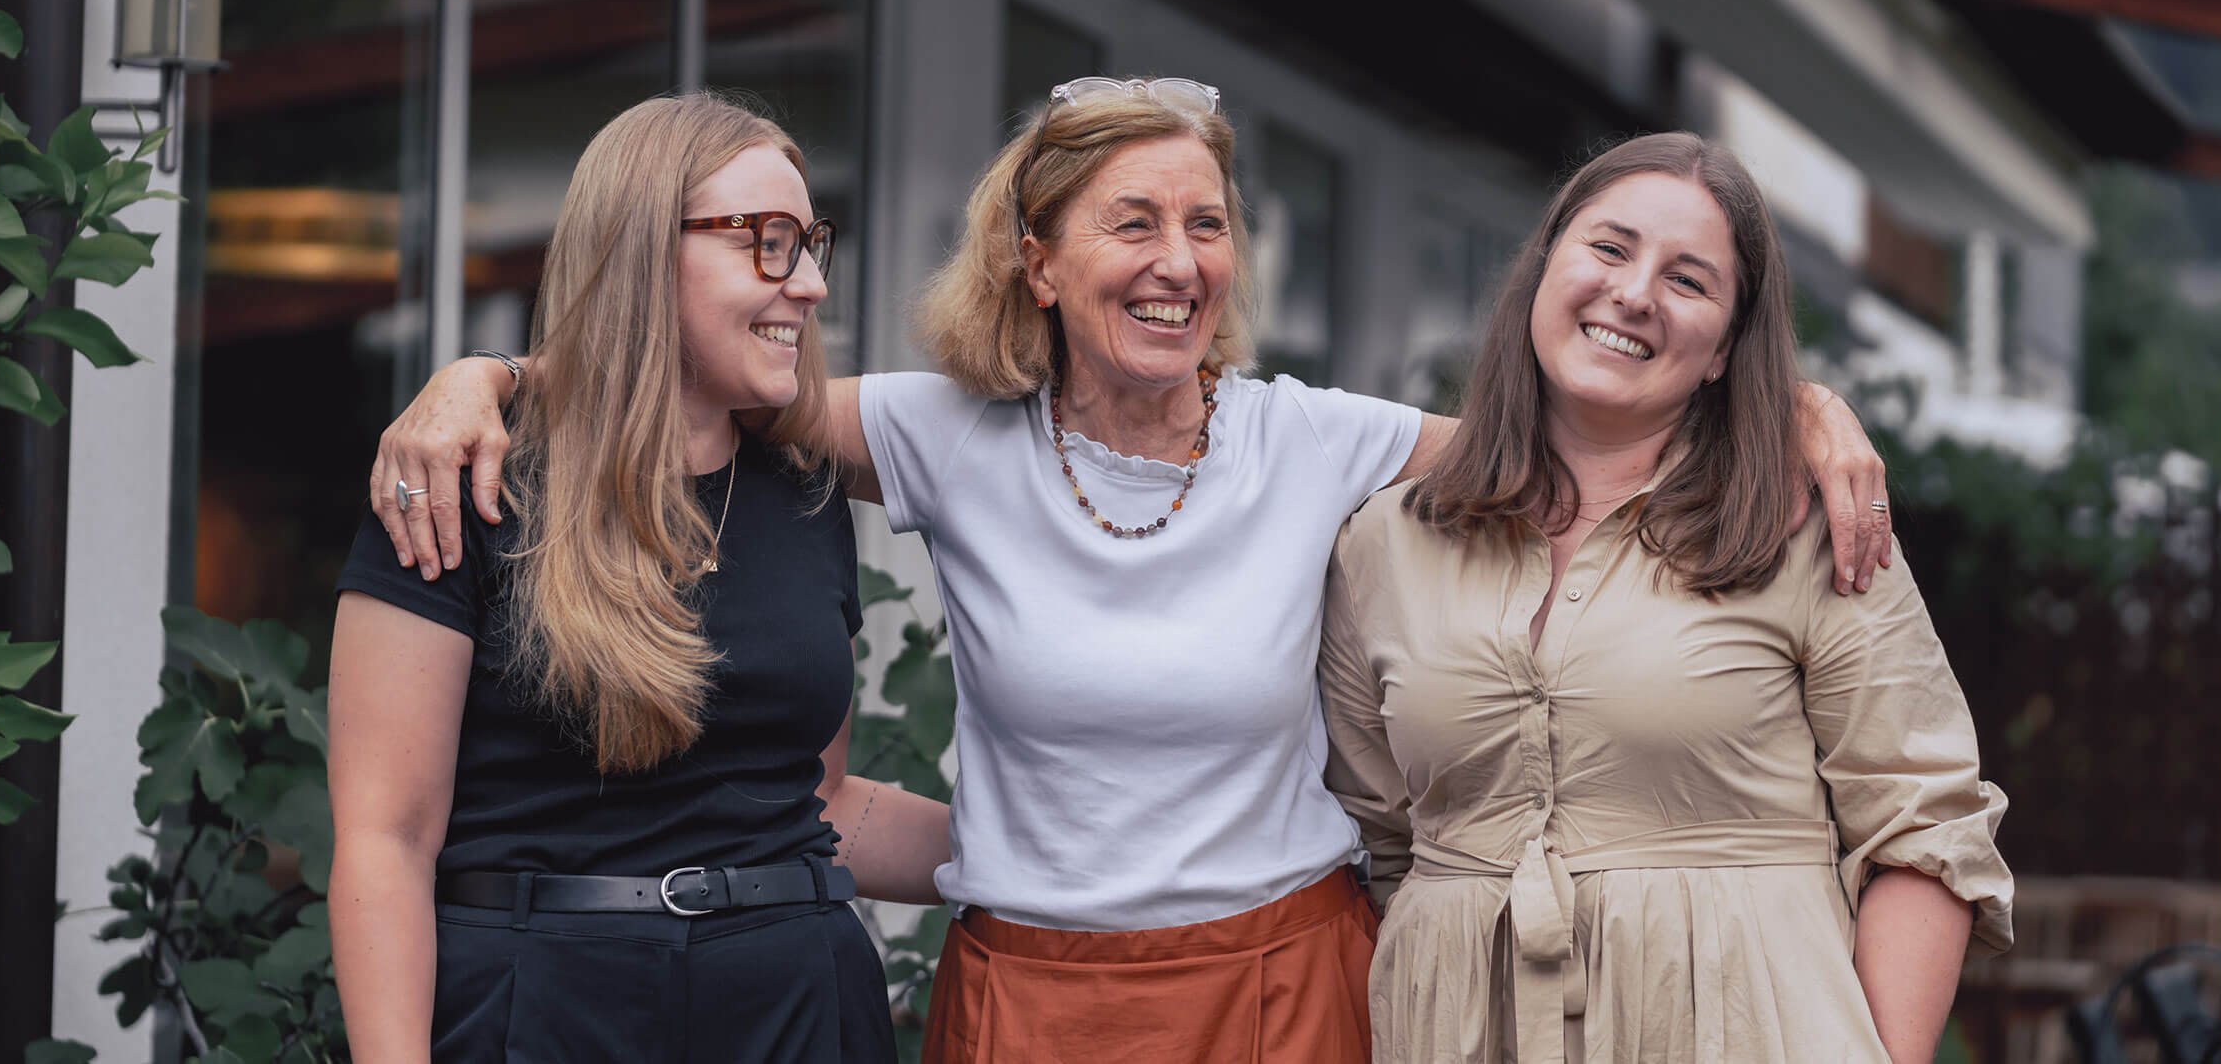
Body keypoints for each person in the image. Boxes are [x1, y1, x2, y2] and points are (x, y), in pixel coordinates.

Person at [359, 80, 1896, 1063]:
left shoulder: (1315, 439)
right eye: (1133, 222)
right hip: (1026, 1001)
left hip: (1281, 989)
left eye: (1208, 225)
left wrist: (1796, 402)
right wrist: (485, 377)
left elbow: (1569, 432)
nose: (1179, 258)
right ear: (1038, 258)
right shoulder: (937, 434)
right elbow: (662, 382)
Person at [1318, 132, 2013, 1064]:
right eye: (1608, 248)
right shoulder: (1386, 542)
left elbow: (1922, 820)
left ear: (1727, 347)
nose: (1635, 293)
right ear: (1541, 269)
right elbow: (1375, 839)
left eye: (1689, 281)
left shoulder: (1809, 522)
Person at [326, 93, 949, 1064]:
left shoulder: (806, 490)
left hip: (799, 1003)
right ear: (642, 251)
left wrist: (1036, 849)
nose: (813, 284)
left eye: (810, 242)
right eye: (768, 241)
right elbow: (385, 842)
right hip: (544, 1007)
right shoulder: (463, 483)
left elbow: (816, 800)